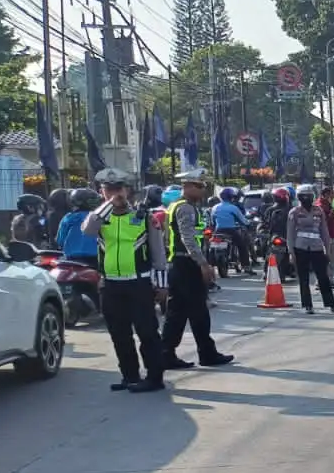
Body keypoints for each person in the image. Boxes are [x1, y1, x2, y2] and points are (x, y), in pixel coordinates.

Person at [83, 168, 170, 393]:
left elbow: (159, 254)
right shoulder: (101, 218)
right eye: (109, 189)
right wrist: (108, 204)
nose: (115, 194)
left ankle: (154, 378)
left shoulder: (143, 217)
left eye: (118, 189)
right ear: (102, 191)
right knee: (119, 334)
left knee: (147, 332)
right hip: (111, 284)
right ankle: (129, 376)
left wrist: (161, 285)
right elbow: (88, 230)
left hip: (139, 284)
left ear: (127, 190)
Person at [160, 167, 235, 370]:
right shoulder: (184, 207)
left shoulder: (180, 206)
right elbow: (188, 239)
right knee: (195, 312)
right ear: (188, 186)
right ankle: (204, 353)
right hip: (186, 264)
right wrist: (202, 264)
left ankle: (168, 353)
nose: (203, 190)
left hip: (180, 264)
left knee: (179, 312)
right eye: (200, 186)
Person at [288, 185, 334, 315]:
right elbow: (290, 234)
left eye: (309, 195)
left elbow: (324, 231)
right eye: (304, 196)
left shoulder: (318, 211)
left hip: (317, 247)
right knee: (304, 278)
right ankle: (308, 305)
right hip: (300, 248)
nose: (307, 198)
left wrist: (328, 249)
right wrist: (291, 252)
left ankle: (331, 304)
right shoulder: (294, 212)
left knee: (323, 277)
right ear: (299, 197)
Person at [211, 186, 253, 274]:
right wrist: (248, 224)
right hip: (231, 231)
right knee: (242, 246)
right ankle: (246, 266)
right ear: (231, 197)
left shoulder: (214, 207)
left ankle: (210, 264)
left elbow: (212, 221)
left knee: (211, 246)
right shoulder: (233, 208)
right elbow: (243, 220)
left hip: (218, 231)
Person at [58, 188, 103, 268]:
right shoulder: (99, 217)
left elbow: (60, 240)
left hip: (72, 259)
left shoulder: (68, 218)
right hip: (95, 258)